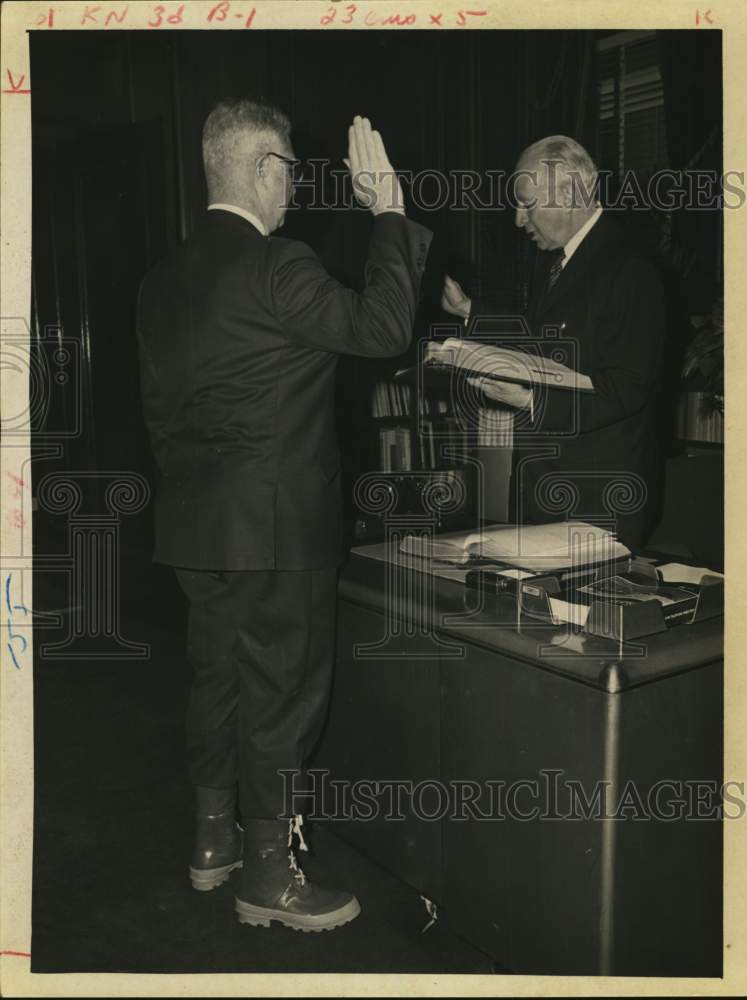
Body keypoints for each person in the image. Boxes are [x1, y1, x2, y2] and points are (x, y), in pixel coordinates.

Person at [136, 100, 432, 932]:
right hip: (279, 531)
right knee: (282, 696)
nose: (296, 188)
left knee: (218, 681)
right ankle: (268, 878)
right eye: (292, 170)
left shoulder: (162, 280)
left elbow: (156, 417)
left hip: (195, 527)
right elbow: (381, 328)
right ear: (265, 171)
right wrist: (389, 211)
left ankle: (210, 846)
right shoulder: (278, 265)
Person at [441, 135, 665, 550]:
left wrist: (529, 401)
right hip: (549, 486)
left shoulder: (630, 268)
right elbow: (544, 342)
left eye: (527, 203)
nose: (518, 220)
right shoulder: (561, 260)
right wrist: (470, 311)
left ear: (570, 191)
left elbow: (627, 388)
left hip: (601, 497)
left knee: (588, 616)